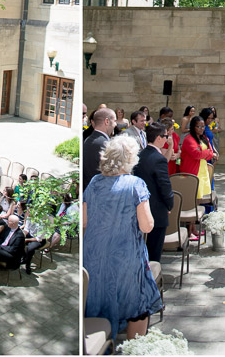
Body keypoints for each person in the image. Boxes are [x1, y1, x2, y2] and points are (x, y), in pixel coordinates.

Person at [84, 135, 161, 341]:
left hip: (94, 257)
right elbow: (147, 225)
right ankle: (133, 348)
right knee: (137, 305)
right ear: (130, 158)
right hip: (125, 258)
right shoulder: (135, 184)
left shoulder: (94, 183)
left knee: (98, 301)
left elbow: (84, 221)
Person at [132, 122, 174, 263]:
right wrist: (169, 205)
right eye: (165, 136)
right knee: (154, 252)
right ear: (158, 138)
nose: (167, 139)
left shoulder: (139, 155)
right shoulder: (159, 159)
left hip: (139, 208)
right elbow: (165, 187)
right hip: (156, 210)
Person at [179, 115, 214, 201]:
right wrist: (207, 152)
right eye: (198, 126)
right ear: (193, 127)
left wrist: (205, 153)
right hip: (193, 170)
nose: (201, 128)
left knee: (201, 196)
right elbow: (196, 154)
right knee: (194, 196)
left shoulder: (204, 138)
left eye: (203, 126)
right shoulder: (189, 139)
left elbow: (211, 153)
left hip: (203, 169)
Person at [83, 108, 116, 190]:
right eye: (114, 121)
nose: (116, 124)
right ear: (107, 121)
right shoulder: (105, 144)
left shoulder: (88, 139)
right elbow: (112, 173)